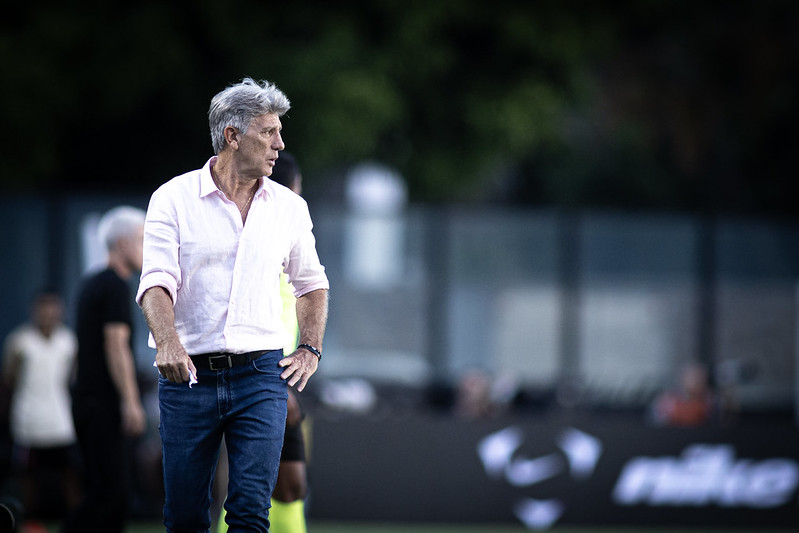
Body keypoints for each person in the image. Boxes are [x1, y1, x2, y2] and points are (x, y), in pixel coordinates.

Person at [137, 78, 329, 533]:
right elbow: (155, 283)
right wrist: (167, 343)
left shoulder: (289, 208)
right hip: (186, 377)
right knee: (184, 516)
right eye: (269, 132)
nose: (280, 144)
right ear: (232, 135)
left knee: (248, 514)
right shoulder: (172, 198)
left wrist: (310, 348)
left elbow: (312, 284)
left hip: (262, 374)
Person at [213, 151, 312, 533]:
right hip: (265, 373)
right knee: (270, 486)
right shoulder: (268, 232)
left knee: (284, 487)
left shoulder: (289, 230)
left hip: (280, 371)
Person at [62, 206, 148, 533]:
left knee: (105, 493)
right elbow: (116, 345)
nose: (146, 247)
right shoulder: (114, 286)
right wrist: (130, 401)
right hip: (103, 405)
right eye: (142, 238)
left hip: (87, 403)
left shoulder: (92, 284)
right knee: (112, 496)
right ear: (122, 243)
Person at [2, 290, 79, 526]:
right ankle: (29, 523)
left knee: (70, 474)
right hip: (28, 421)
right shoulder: (18, 342)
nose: (48, 315)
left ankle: (76, 521)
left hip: (60, 421)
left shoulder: (68, 341)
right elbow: (9, 380)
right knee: (27, 477)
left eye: (53, 309)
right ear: (35, 311)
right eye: (44, 309)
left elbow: (71, 379)